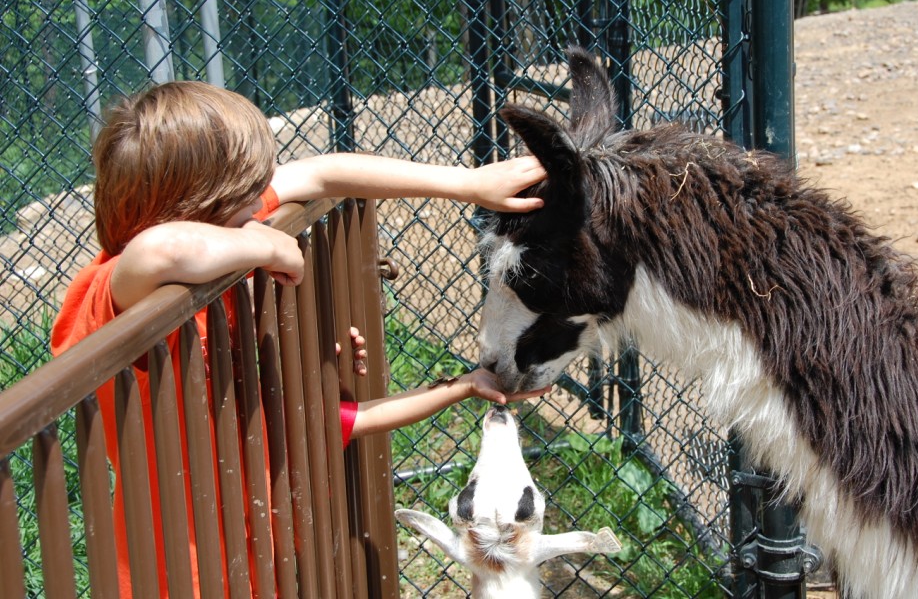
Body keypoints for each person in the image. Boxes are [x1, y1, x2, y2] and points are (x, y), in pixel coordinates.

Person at [50, 80, 550, 596]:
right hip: (177, 568)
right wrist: (270, 247)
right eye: (250, 194)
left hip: (257, 550)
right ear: (200, 203)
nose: (265, 201)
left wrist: (467, 184)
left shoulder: (220, 226)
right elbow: (158, 250)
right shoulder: (117, 292)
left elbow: (321, 171)